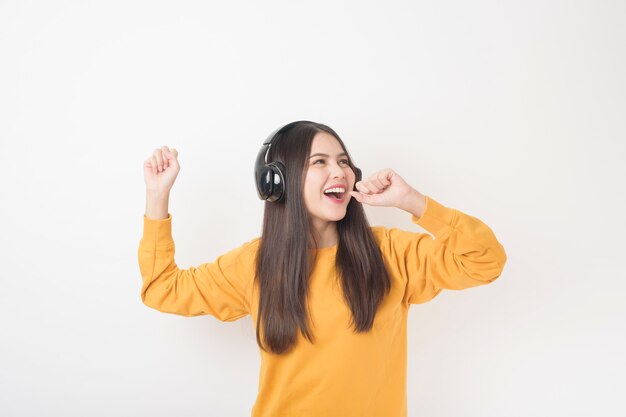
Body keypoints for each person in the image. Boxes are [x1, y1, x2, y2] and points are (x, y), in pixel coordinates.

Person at [138, 120, 507, 417]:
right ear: (278, 182)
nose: (340, 172)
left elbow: (485, 260)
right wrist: (158, 196)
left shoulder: (391, 252)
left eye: (344, 161)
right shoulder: (254, 264)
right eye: (320, 162)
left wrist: (413, 202)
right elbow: (162, 289)